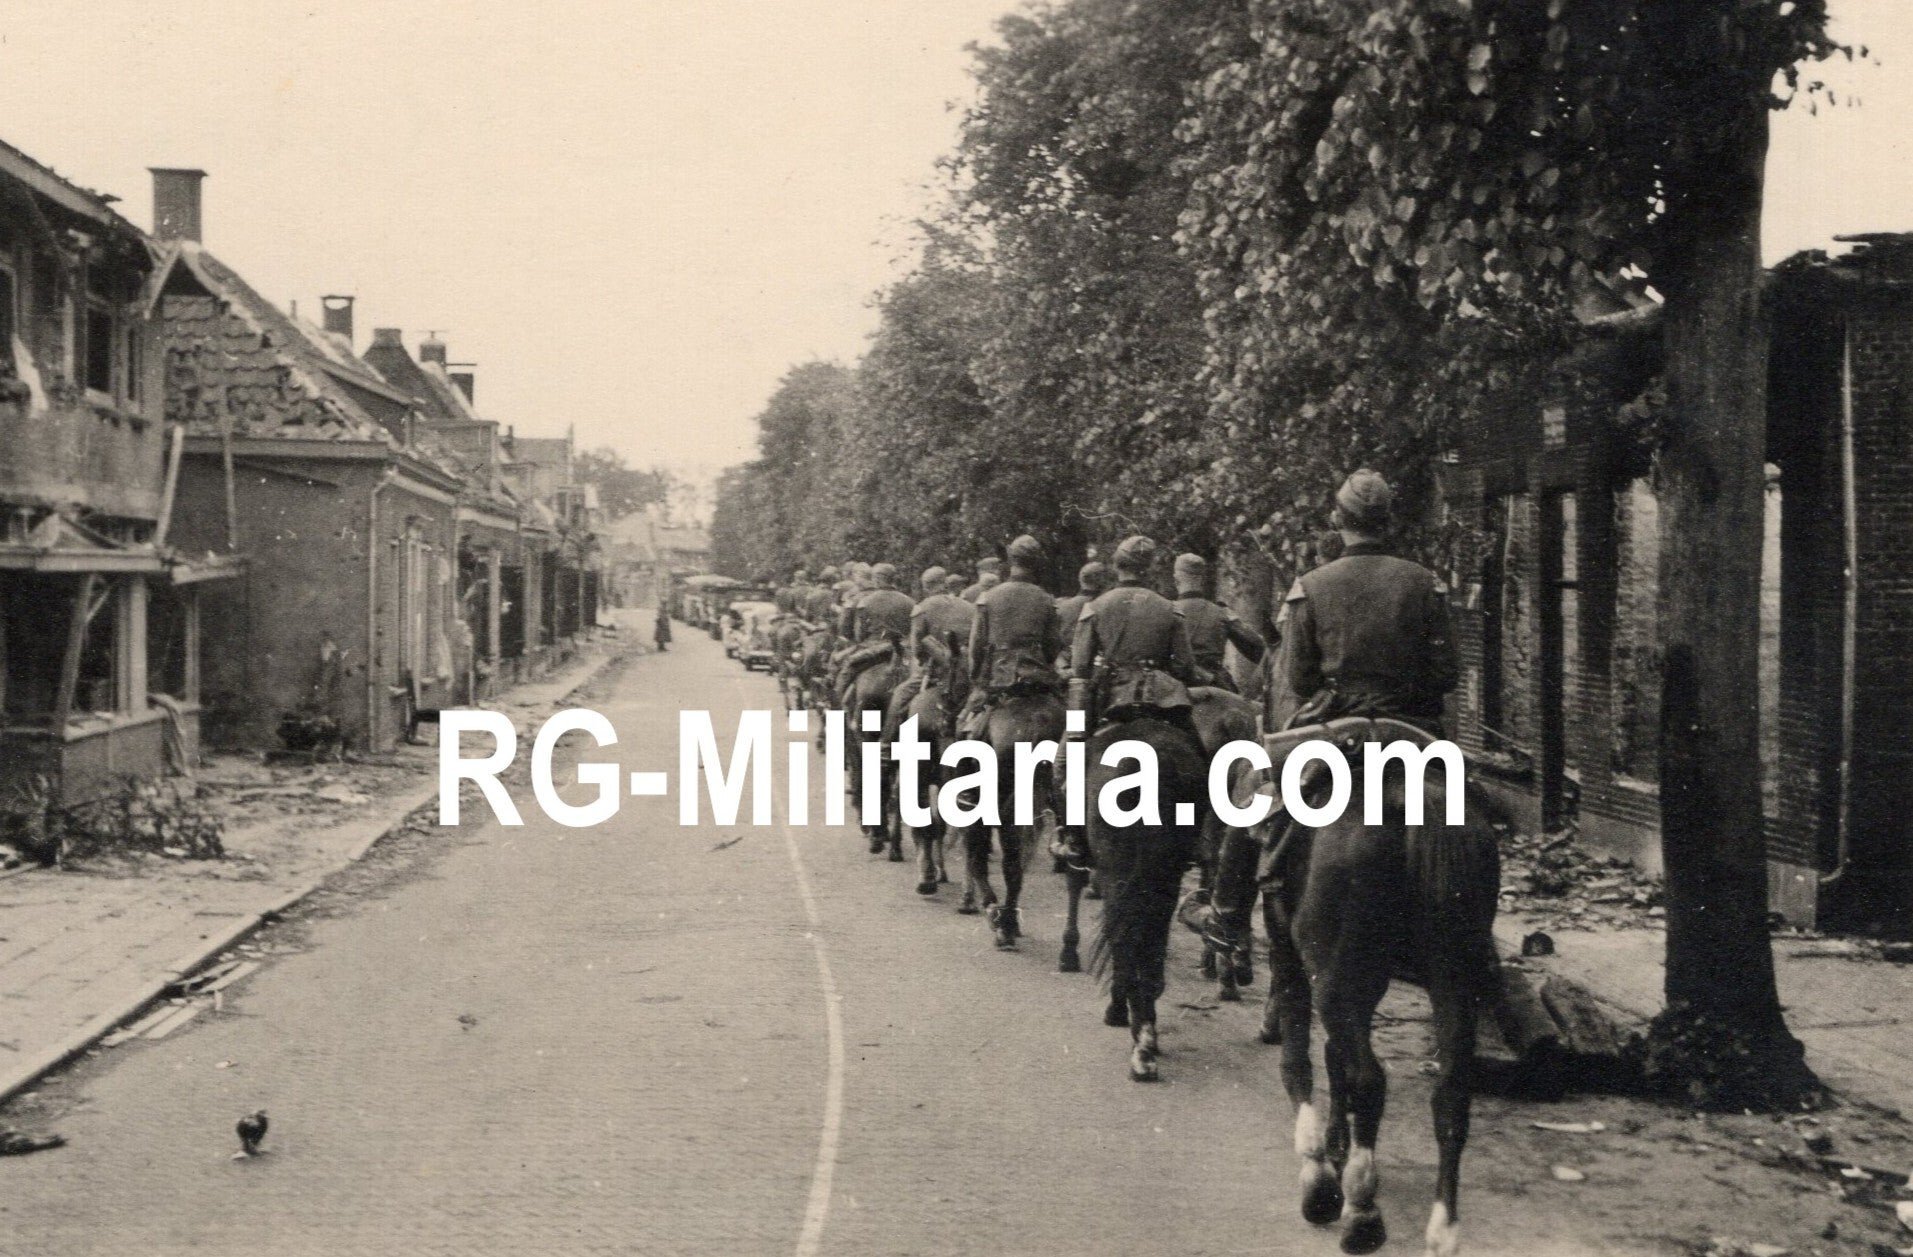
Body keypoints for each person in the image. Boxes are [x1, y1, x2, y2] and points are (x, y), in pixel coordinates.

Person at [1201, 467, 1460, 952]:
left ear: (1338, 520)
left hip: (1333, 730)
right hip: (1414, 731)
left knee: (1254, 795)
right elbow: (1447, 673)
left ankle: (1227, 915)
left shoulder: (1310, 586)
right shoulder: (1427, 584)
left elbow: (1299, 680)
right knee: (1467, 807)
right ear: (1388, 520)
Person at [1067, 535, 1201, 734]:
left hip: (1110, 695)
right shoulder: (1170, 608)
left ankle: (1068, 749)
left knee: (1070, 746)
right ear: (1148, 569)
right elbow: (1185, 665)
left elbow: (1080, 667)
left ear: (1117, 566)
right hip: (1161, 696)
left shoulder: (1094, 607)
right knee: (1197, 746)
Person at [958, 536, 1061, 736]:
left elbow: (976, 647)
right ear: (1037, 563)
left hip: (999, 679)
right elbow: (1052, 649)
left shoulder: (987, 598)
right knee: (1074, 726)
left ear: (1011, 560)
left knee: (962, 730)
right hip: (1038, 678)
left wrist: (977, 680)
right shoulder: (1047, 600)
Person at [888, 565, 976, 725]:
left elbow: (917, 648)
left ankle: (887, 739)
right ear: (945, 583)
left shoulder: (921, 608)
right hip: (968, 669)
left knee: (900, 695)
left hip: (939, 670)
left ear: (926, 586)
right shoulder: (969, 606)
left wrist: (922, 660)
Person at [1171, 553, 1266, 692]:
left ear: (1176, 580)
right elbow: (1259, 648)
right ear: (1202, 580)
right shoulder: (1222, 612)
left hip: (1175, 686)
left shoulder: (1166, 610)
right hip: (1215, 685)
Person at [835, 562, 915, 707]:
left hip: (871, 650)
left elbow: (859, 635)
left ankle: (837, 713)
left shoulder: (865, 602)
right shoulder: (910, 602)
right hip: (902, 653)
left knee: (844, 676)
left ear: (877, 579)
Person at [1052, 561, 1113, 673]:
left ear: (1081, 580)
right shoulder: (1106, 608)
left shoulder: (1061, 607)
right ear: (1105, 582)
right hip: (1096, 670)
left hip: (1064, 668)